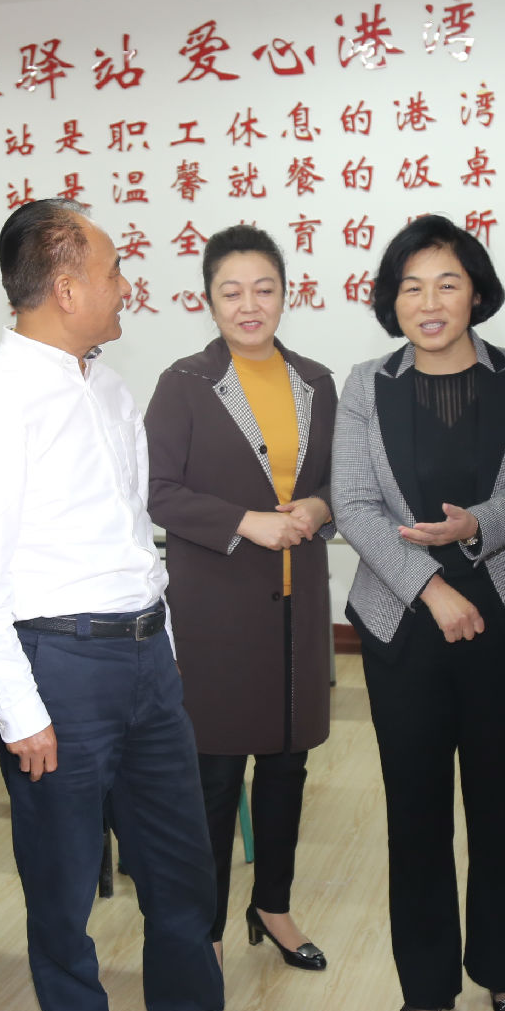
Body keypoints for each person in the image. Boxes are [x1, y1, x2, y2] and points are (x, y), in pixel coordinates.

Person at [0, 199, 278, 1011]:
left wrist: (163, 653)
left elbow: (134, 539)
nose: (128, 286)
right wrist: (19, 710)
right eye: (115, 271)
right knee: (63, 886)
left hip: (144, 657)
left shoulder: (112, 390)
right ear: (66, 286)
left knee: (180, 863)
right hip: (58, 668)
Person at [332, 214, 505, 1011]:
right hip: (406, 617)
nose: (429, 302)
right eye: (411, 286)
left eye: (447, 283)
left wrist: (476, 523)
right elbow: (354, 504)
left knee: (502, 797)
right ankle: (426, 982)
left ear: (477, 291)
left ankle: (502, 966)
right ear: (390, 299)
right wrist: (432, 587)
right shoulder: (366, 384)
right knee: (415, 803)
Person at [146, 225, 336, 972]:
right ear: (209, 299)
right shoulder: (184, 383)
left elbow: (338, 482)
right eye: (232, 292)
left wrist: (319, 507)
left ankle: (273, 905)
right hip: (217, 610)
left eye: (264, 289)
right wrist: (244, 522)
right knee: (215, 776)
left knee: (288, 766)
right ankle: (209, 925)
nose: (249, 305)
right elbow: (157, 491)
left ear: (286, 295)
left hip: (298, 608)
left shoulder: (316, 380)